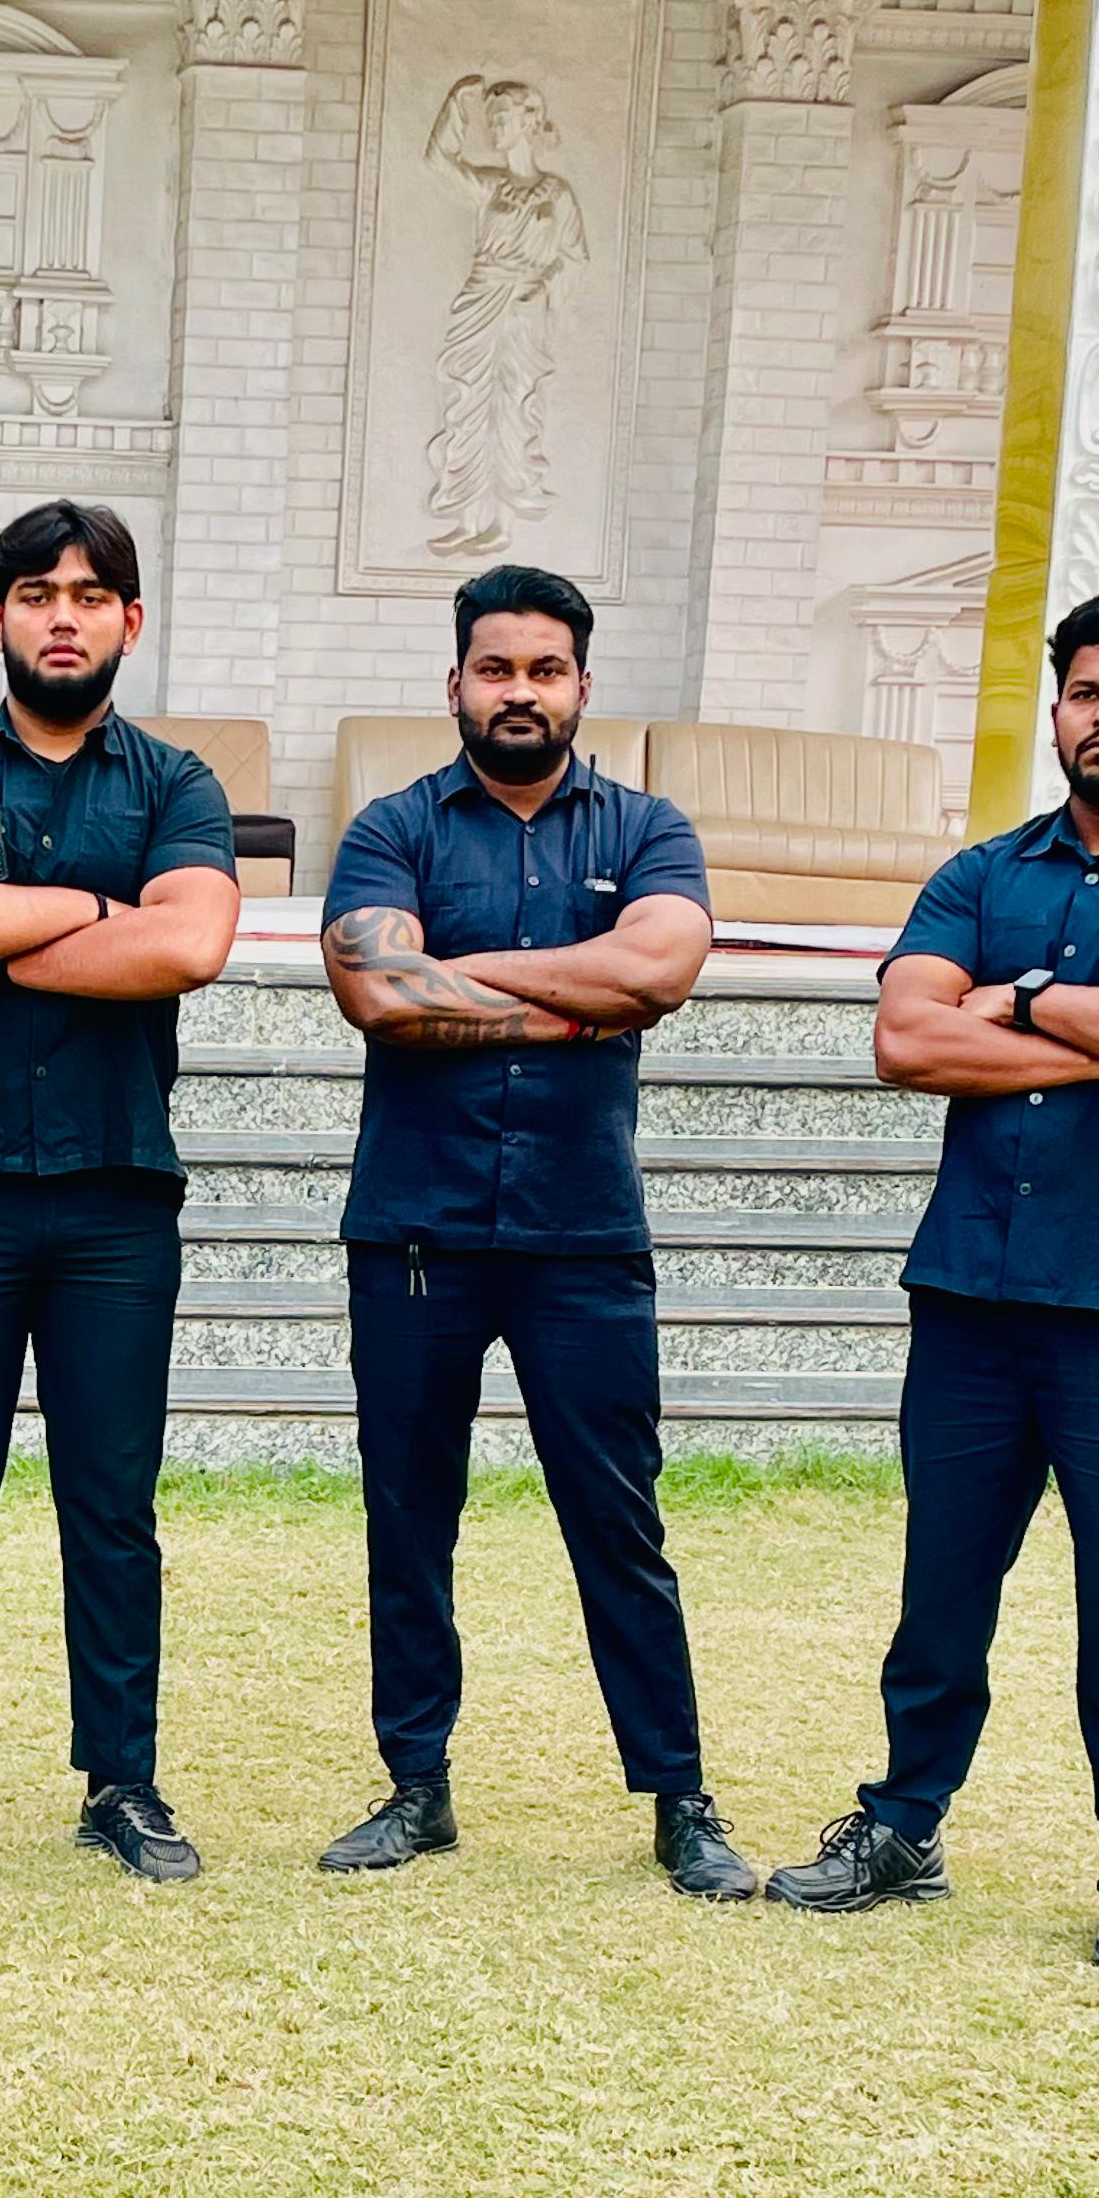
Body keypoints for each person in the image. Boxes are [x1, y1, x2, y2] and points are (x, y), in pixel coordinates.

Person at [765, 587, 1099, 1976]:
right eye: (1085, 693)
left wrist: (1015, 999)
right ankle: (903, 1827)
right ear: (1056, 711)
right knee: (941, 1588)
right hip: (972, 1296)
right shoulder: (983, 874)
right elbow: (906, 1042)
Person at [319, 565, 756, 1899]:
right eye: (496, 668)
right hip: (418, 1227)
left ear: (581, 686)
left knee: (619, 1520)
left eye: (545, 670)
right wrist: (581, 998)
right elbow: (379, 993)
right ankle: (417, 1786)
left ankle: (679, 1797)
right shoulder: (393, 827)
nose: (521, 692)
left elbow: (659, 967)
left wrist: (459, 975)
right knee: (410, 1514)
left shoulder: (650, 830)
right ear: (454, 683)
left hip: (582, 1233)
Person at [0, 500, 240, 1882]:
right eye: (34, 593)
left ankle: (121, 1782)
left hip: (118, 1196)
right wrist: (100, 916)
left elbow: (189, 949)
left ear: (130, 620)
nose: (61, 616)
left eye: (87, 594)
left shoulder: (178, 784)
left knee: (111, 1508)